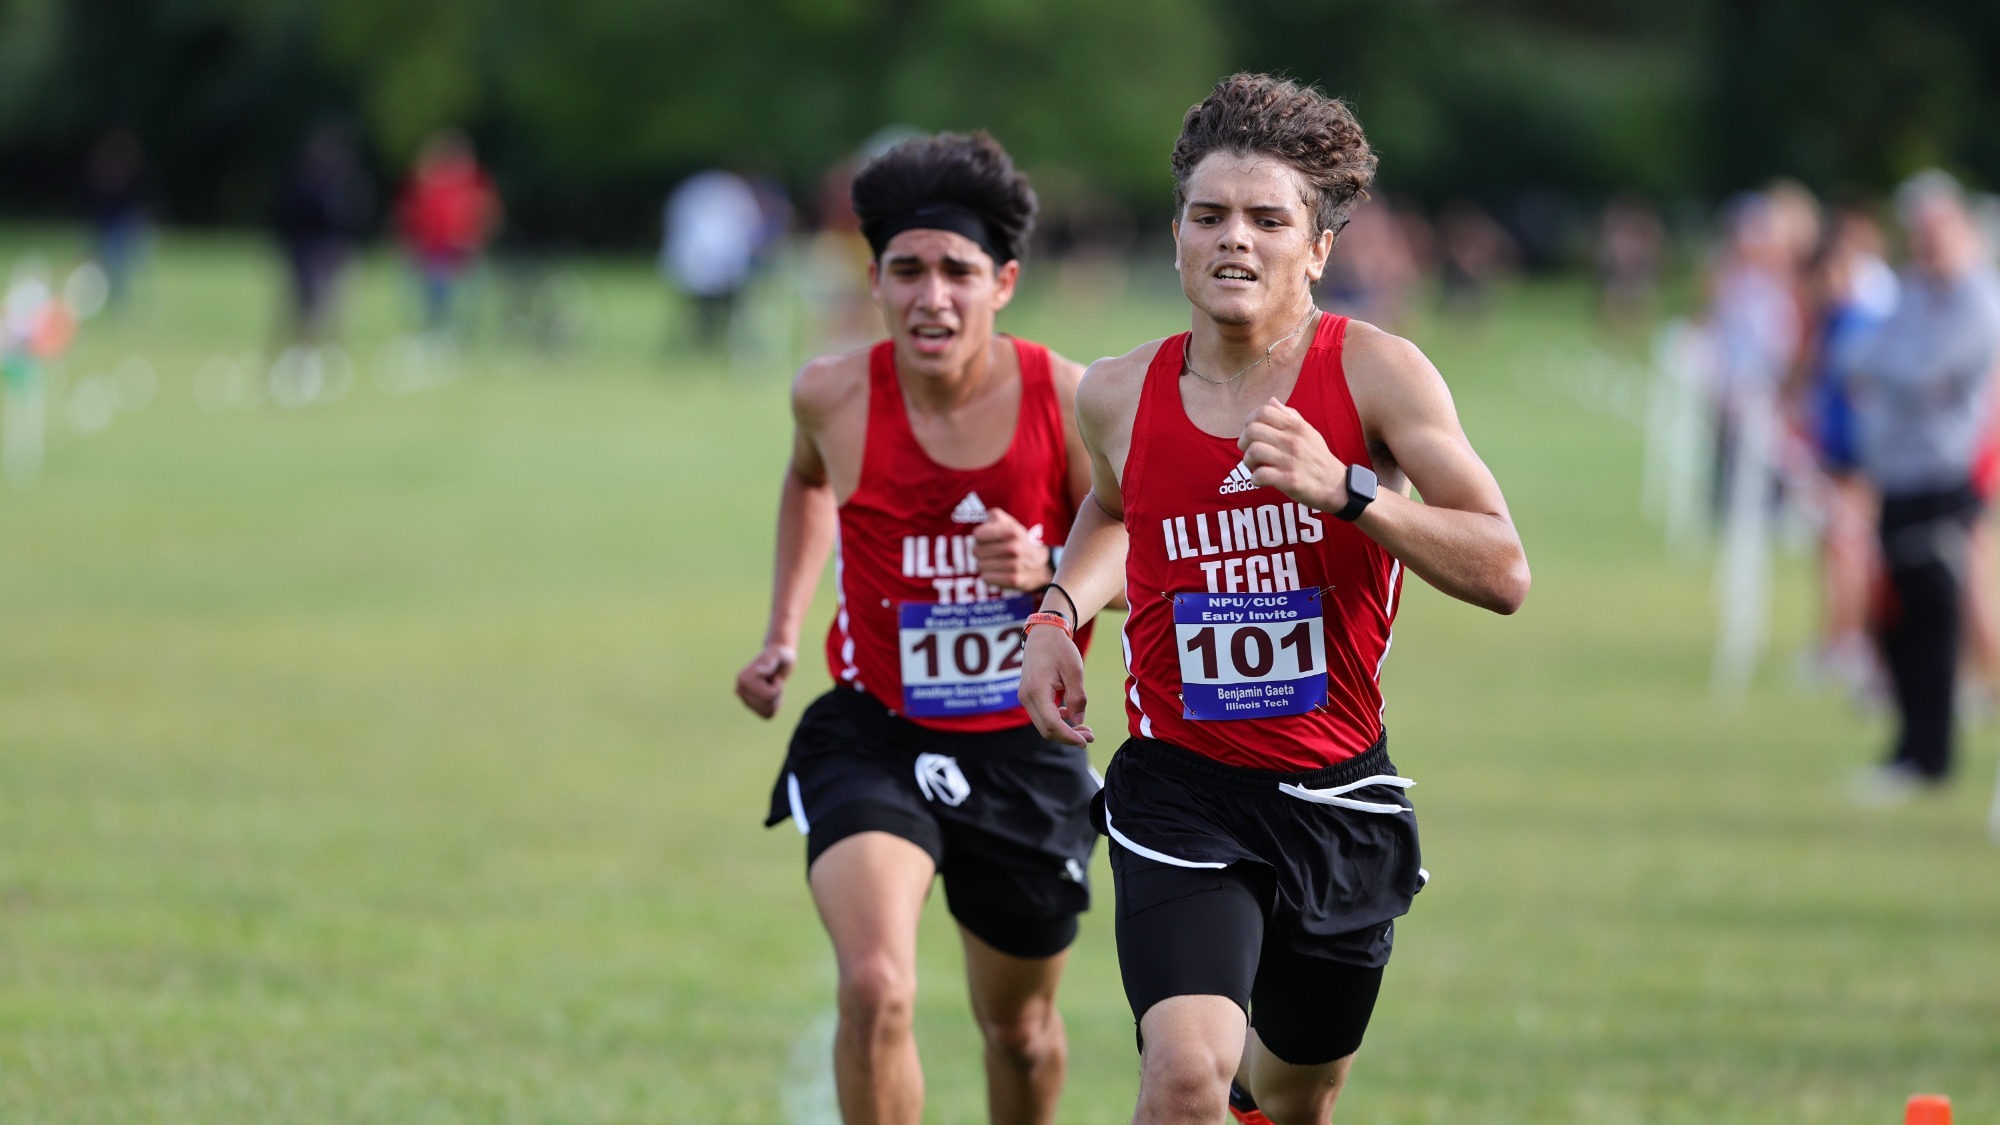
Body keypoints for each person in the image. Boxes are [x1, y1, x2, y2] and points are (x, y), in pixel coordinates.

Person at [1019, 73, 1530, 1125]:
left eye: (1266, 218)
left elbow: (1501, 569)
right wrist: (1054, 616)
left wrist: (1346, 492)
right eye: (1208, 216)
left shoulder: (1378, 376)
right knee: (1184, 1076)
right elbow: (1115, 515)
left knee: (1289, 1098)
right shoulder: (1115, 392)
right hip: (1179, 790)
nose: (1233, 241)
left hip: (1337, 799)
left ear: (1319, 247)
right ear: (1175, 237)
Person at [734, 132, 1100, 1125]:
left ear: (1004, 282)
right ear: (873, 280)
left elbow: (1132, 551)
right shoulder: (830, 394)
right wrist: (781, 629)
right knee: (875, 988)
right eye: (907, 271)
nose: (931, 296)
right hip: (876, 730)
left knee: (1018, 1033)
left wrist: (1049, 577)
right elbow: (808, 481)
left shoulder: (1066, 399)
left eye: (957, 271)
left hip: (1023, 747)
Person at [1845, 171, 2000, 796]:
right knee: (1898, 618)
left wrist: (1889, 368)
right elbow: (1871, 356)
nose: (1924, 243)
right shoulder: (1914, 291)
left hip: (1944, 476)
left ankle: (1931, 757)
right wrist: (1889, 367)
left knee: (1937, 620)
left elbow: (1914, 368)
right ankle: (1909, 749)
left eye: (1934, 230)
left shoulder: (1975, 301)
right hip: (1899, 473)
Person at [396, 129, 500, 332]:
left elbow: (489, 211)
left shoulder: (475, 180)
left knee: (469, 301)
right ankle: (439, 332)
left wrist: (476, 237)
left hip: (466, 252)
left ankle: (463, 333)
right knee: (437, 299)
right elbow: (412, 214)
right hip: (436, 251)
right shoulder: (429, 181)